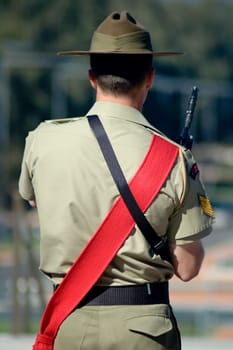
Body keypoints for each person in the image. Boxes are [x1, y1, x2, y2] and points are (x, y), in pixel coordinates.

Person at [19, 11, 214, 350]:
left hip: (69, 321)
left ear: (92, 78)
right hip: (146, 330)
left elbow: (35, 199)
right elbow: (187, 267)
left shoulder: (42, 140)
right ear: (150, 78)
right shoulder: (174, 159)